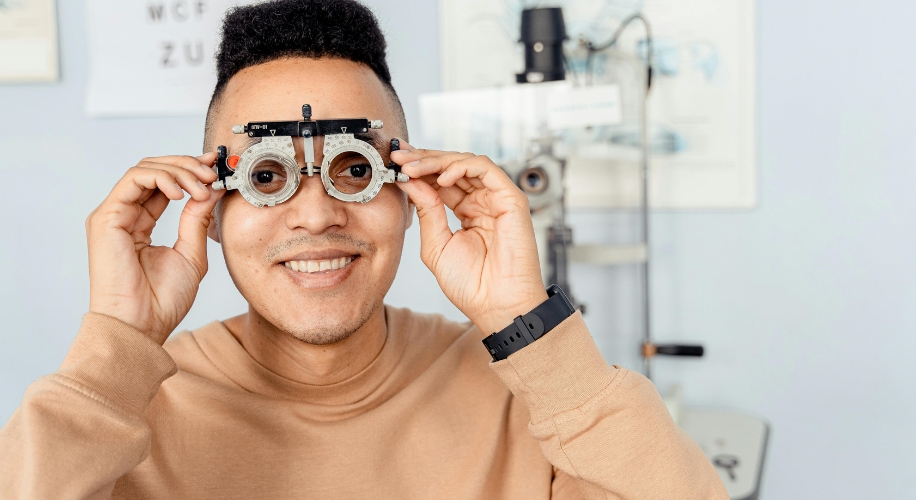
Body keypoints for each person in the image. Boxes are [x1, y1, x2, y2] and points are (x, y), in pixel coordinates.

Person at [0, 1, 728, 498]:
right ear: (210, 206)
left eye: (355, 170)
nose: (315, 214)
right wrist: (114, 347)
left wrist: (530, 327)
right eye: (267, 175)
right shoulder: (127, 414)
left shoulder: (520, 398)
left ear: (412, 190)